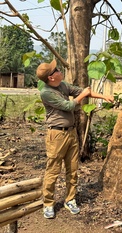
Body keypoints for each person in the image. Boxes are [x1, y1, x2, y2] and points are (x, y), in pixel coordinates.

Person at [36, 59, 114, 219]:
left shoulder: (63, 85)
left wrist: (104, 96)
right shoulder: (46, 92)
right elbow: (68, 106)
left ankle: (70, 199)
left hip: (71, 133)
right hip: (56, 135)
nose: (59, 70)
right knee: (53, 170)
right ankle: (48, 203)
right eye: (56, 70)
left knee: (72, 169)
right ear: (51, 77)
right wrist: (83, 95)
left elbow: (82, 91)